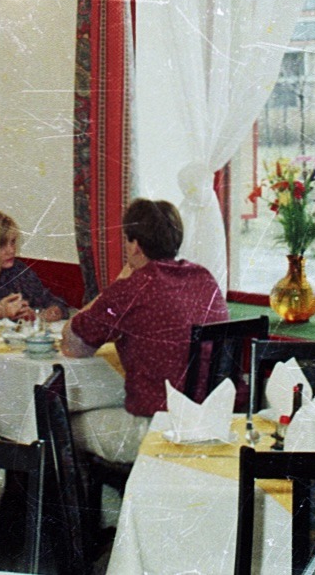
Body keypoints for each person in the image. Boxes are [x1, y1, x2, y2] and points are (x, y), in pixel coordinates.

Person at [61, 197, 227, 462]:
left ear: (136, 245)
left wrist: (116, 283)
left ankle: (86, 503)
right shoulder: (204, 278)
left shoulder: (133, 287)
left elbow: (72, 345)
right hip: (211, 422)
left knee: (62, 423)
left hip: (156, 429)